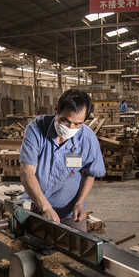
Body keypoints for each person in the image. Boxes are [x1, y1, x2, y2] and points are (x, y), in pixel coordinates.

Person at [19, 89, 105, 231]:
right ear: (56, 111)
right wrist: (45, 207)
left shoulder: (87, 138)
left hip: (71, 211)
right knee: (35, 247)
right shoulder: (35, 130)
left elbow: (90, 173)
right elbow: (27, 172)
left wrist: (79, 202)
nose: (71, 128)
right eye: (65, 121)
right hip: (38, 205)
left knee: (77, 249)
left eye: (78, 124)